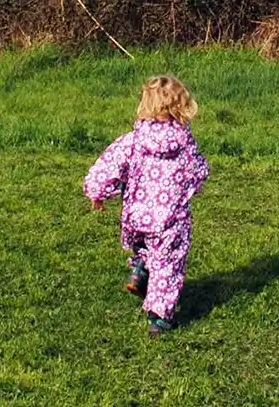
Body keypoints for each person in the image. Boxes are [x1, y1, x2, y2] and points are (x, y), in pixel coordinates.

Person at [83, 74, 211, 335]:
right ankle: (160, 317)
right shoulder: (185, 144)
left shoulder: (132, 141)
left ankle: (140, 270)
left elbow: (107, 167)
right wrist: (189, 189)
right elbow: (199, 172)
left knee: (143, 247)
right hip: (169, 221)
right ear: (181, 106)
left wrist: (97, 192)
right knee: (168, 265)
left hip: (136, 217)